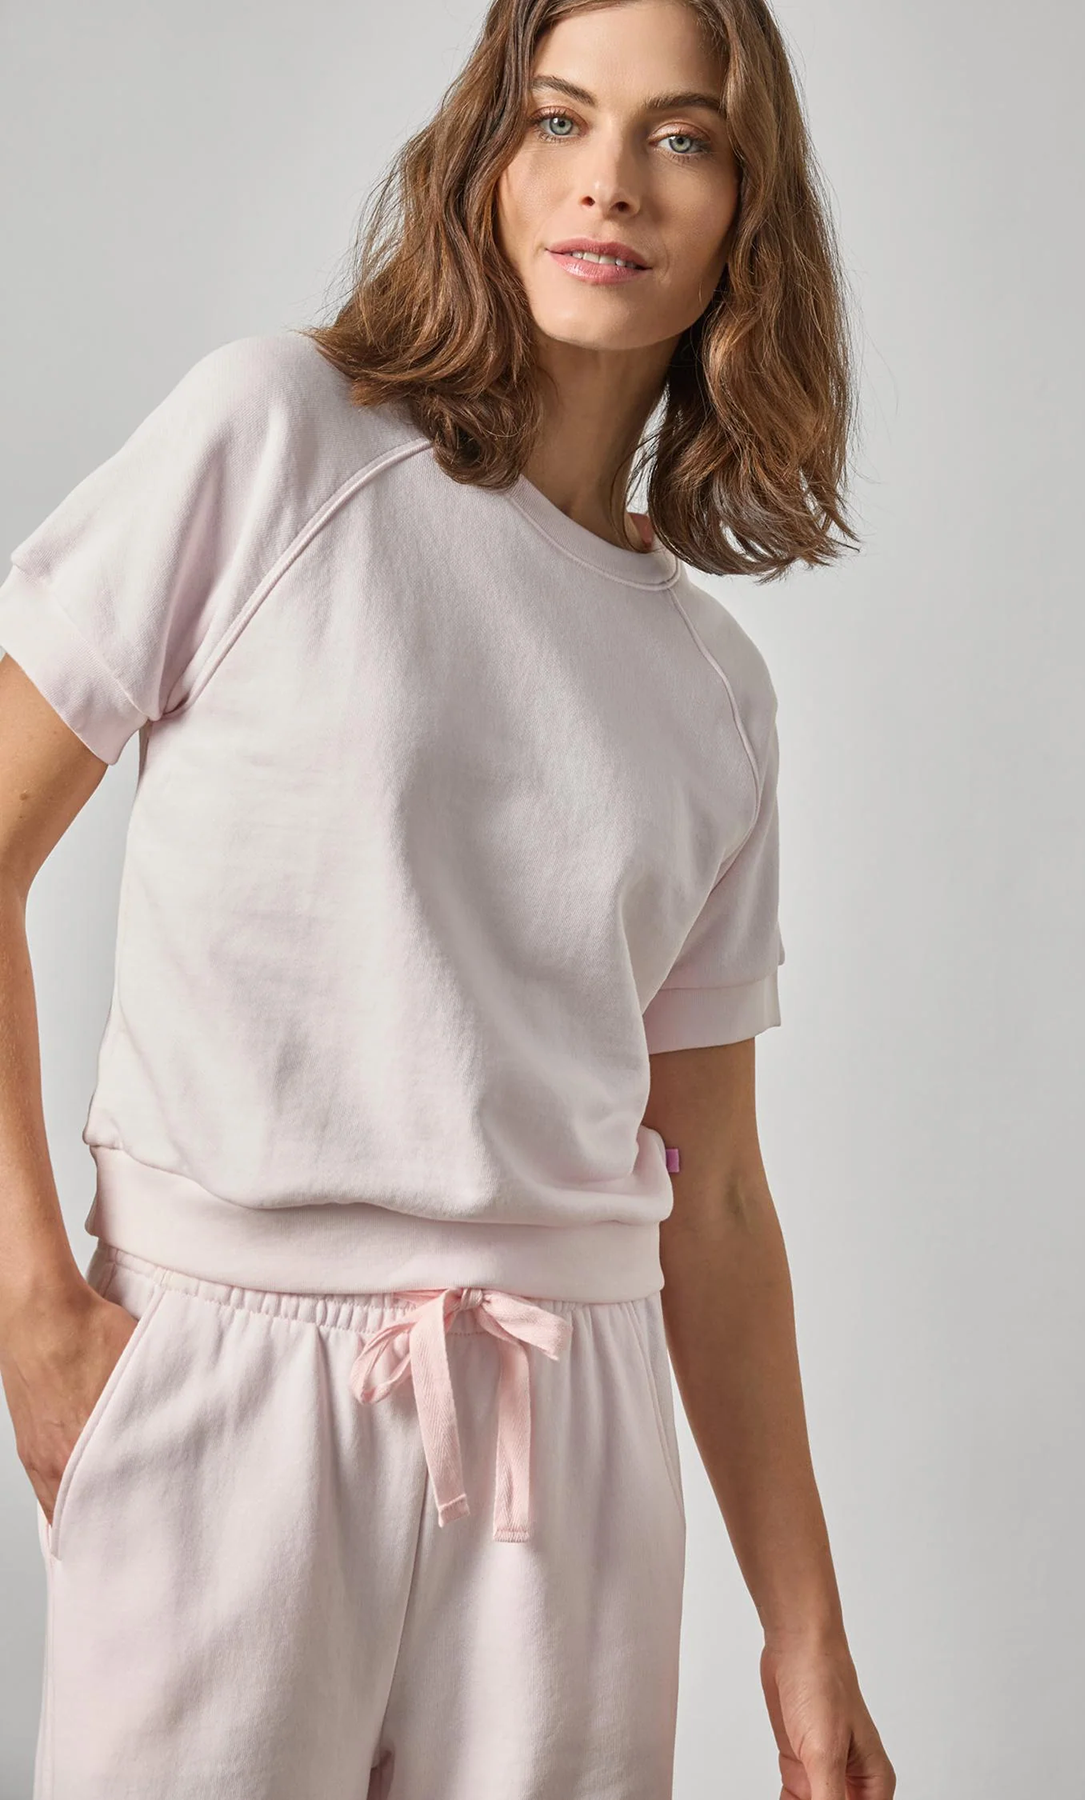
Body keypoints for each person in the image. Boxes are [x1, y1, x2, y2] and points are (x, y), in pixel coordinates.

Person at [0, 0, 896, 1795]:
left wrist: (810, 1638)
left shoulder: (714, 690)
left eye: (682, 137)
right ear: (487, 156)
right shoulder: (281, 444)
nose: (610, 185)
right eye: (559, 119)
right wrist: (35, 1312)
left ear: (749, 209)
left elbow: (708, 1187)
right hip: (222, 1380)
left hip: (570, 1435)